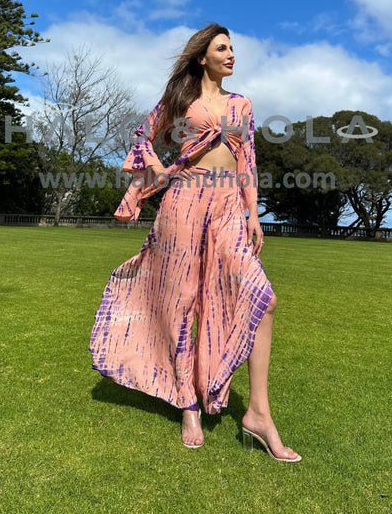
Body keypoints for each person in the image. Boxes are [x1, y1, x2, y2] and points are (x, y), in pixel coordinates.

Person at [90, 23, 301, 462]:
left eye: (233, 48)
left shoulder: (242, 105)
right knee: (184, 300)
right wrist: (161, 172)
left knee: (263, 297)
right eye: (222, 48)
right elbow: (141, 136)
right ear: (201, 56)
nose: (231, 55)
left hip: (227, 207)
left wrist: (252, 212)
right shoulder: (180, 102)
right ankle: (188, 402)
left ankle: (258, 414)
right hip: (185, 202)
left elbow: (248, 161)